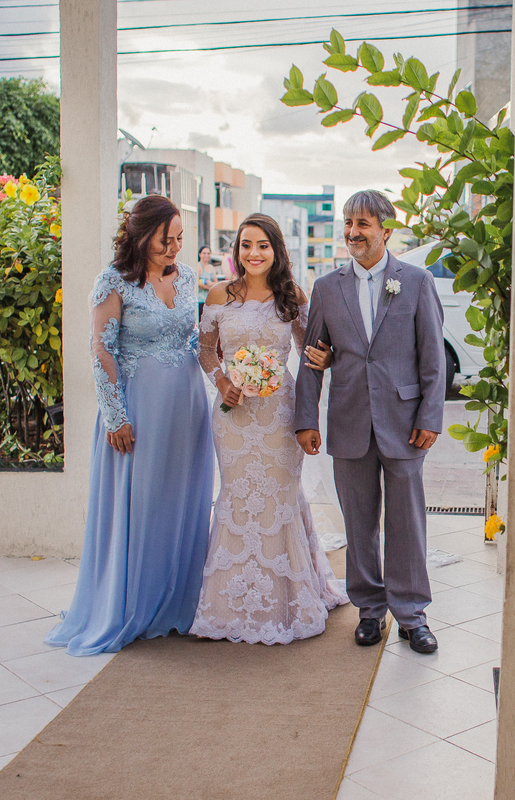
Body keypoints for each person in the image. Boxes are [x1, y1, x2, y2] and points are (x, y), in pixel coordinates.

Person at [46, 195, 214, 656]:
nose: (175, 248)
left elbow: (196, 338)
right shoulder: (112, 282)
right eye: (166, 240)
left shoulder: (188, 279)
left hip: (187, 406)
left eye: (179, 239)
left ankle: (179, 604)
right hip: (138, 410)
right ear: (141, 236)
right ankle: (132, 605)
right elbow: (101, 352)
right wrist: (115, 415)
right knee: (141, 503)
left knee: (182, 501)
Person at [294, 190, 446, 653]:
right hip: (349, 420)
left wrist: (430, 417)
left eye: (363, 224)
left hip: (405, 423)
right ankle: (369, 610)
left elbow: (433, 359)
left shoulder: (416, 282)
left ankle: (411, 614)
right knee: (359, 522)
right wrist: (306, 419)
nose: (353, 232)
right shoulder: (326, 288)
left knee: (407, 523)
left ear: (386, 230)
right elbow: (312, 358)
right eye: (348, 223)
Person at [190, 214, 348, 644]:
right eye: (245, 245)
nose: (253, 253)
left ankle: (288, 598)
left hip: (280, 413)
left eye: (262, 245)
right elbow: (205, 350)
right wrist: (223, 381)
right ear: (236, 250)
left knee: (277, 495)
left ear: (276, 250)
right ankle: (231, 603)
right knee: (239, 495)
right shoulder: (219, 294)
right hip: (234, 416)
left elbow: (310, 349)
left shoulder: (291, 296)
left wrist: (326, 360)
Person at [196, 245, 222, 317]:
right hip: (200, 299)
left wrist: (210, 283)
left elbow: (216, 282)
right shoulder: (198, 266)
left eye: (208, 253)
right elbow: (197, 282)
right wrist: (208, 286)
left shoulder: (211, 267)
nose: (206, 255)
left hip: (210, 300)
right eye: (204, 253)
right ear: (200, 254)